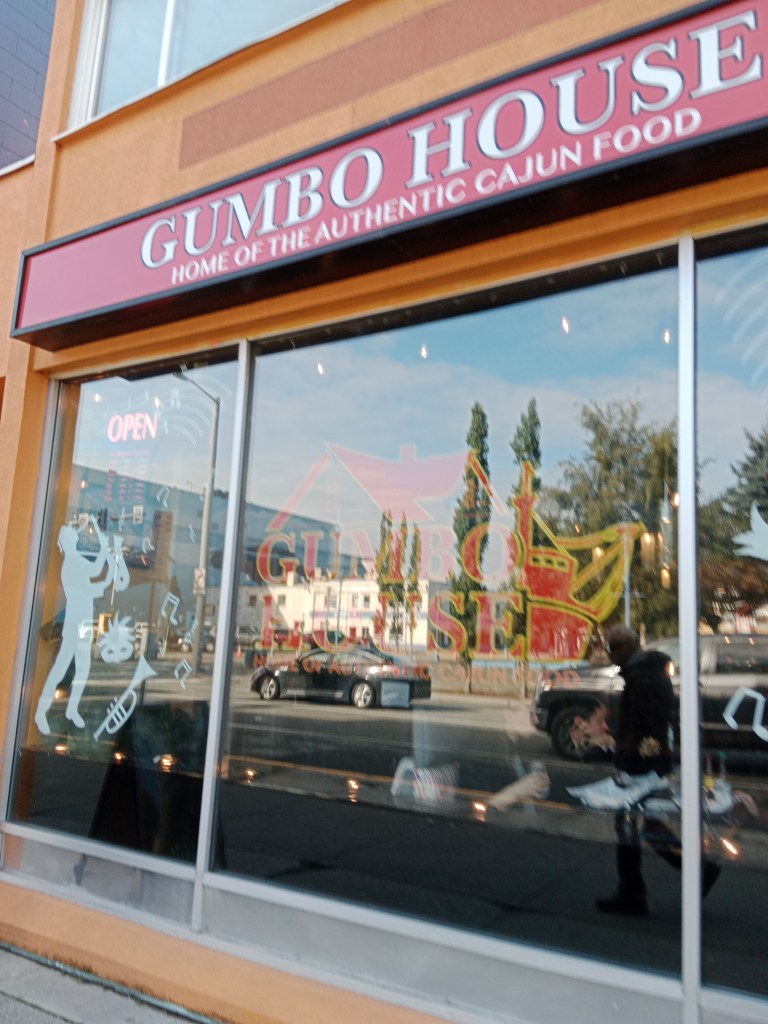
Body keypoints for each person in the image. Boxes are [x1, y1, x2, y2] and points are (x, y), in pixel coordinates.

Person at [595, 624, 720, 916]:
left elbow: (649, 727)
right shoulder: (646, 673)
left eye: (612, 648)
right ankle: (695, 871)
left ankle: (633, 893)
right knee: (648, 825)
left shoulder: (642, 679)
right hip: (649, 763)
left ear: (625, 648)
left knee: (629, 827)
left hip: (641, 766)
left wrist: (630, 755)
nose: (609, 654)